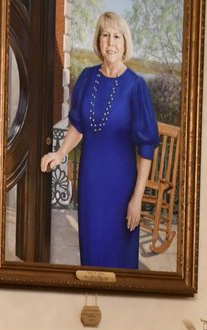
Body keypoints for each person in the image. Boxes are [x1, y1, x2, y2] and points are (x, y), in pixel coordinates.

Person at [39, 11, 159, 270]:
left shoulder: (135, 86)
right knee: (92, 258)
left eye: (117, 36)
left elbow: (146, 149)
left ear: (125, 43)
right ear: (98, 40)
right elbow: (78, 127)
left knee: (121, 263)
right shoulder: (86, 78)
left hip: (122, 188)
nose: (110, 42)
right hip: (92, 184)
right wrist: (59, 154)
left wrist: (137, 197)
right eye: (105, 35)